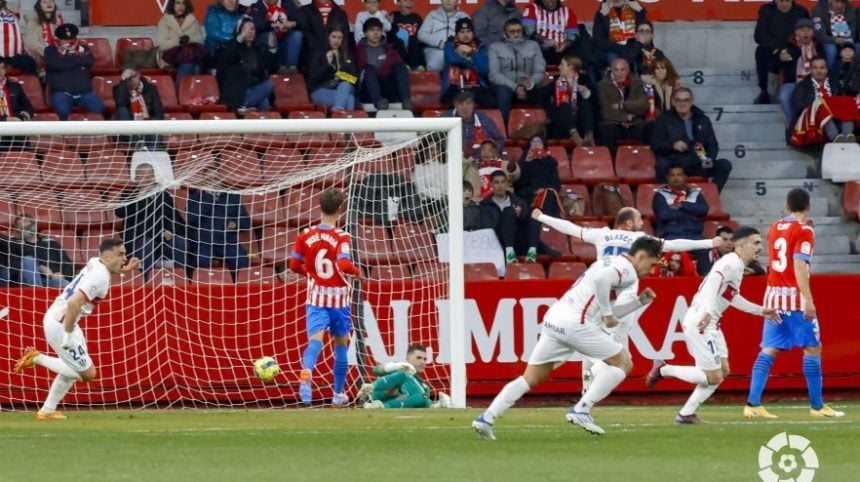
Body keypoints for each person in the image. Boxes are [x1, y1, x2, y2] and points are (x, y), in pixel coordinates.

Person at [472, 236, 662, 439]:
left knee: (531, 378)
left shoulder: (610, 261)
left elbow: (605, 305)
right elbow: (602, 283)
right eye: (651, 265)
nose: (650, 271)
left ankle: (486, 418)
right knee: (623, 362)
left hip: (555, 319)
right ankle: (582, 409)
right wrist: (607, 314)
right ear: (641, 256)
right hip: (575, 323)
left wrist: (638, 303)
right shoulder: (627, 269)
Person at [532, 206, 719, 392]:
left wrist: (542, 217)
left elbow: (570, 228)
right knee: (618, 355)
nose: (641, 223)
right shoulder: (640, 240)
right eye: (639, 220)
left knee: (594, 341)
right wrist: (710, 243)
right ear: (629, 223)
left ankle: (586, 384)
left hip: (600, 298)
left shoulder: (602, 235)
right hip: (625, 299)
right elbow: (674, 244)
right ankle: (593, 382)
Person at [646, 227, 780, 424]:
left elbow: (730, 296)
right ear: (741, 246)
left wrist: (761, 310)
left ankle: (686, 414)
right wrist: (708, 311)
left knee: (722, 371)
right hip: (701, 321)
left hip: (712, 323)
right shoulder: (731, 262)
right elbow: (714, 281)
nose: (759, 247)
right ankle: (664, 369)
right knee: (712, 375)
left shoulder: (737, 266)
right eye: (756, 243)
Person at [744, 188, 846, 419]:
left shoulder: (774, 228)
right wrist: (808, 299)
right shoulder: (805, 230)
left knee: (769, 348)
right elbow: (799, 265)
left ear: (787, 206)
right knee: (812, 347)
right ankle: (817, 407)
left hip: (773, 297)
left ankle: (752, 404)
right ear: (808, 206)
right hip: (794, 299)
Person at [13, 239, 140, 420]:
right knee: (87, 374)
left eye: (124, 254)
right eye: (120, 254)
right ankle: (36, 357)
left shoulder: (95, 262)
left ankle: (47, 411)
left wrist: (125, 270)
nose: (125, 258)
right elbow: (74, 303)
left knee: (73, 367)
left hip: (61, 319)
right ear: (107, 255)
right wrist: (68, 334)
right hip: (62, 325)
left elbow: (106, 270)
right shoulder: (100, 277)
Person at [289, 188, 360, 405]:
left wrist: (310, 273)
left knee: (314, 343)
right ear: (341, 209)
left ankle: (307, 371)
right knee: (341, 345)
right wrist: (358, 273)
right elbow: (344, 264)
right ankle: (338, 394)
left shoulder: (306, 233)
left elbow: (293, 265)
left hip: (316, 298)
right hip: (339, 299)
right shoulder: (342, 236)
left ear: (319, 206)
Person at [650, 87, 733, 192]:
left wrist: (709, 158)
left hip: (698, 160)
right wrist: (673, 145)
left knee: (724, 165)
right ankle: (665, 198)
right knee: (661, 164)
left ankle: (710, 196)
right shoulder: (664, 119)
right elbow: (656, 143)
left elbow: (712, 144)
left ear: (691, 102)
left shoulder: (702, 119)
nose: (682, 103)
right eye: (678, 100)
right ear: (673, 102)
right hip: (675, 162)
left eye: (686, 100)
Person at [115, 164, 189, 276]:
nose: (147, 178)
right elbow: (120, 212)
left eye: (149, 175)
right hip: (139, 239)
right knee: (147, 244)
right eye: (143, 175)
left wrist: (171, 231)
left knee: (180, 242)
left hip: (162, 240)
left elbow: (174, 217)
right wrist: (140, 195)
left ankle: (180, 278)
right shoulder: (129, 194)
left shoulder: (163, 194)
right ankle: (146, 280)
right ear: (137, 178)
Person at [186, 170, 252, 281]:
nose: (213, 183)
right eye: (209, 180)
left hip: (228, 242)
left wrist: (235, 224)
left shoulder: (232, 198)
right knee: (201, 262)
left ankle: (238, 291)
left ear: (220, 181)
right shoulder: (195, 198)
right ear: (204, 182)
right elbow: (189, 219)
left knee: (242, 261)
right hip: (203, 243)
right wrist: (209, 199)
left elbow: (246, 222)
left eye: (215, 179)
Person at [357, 344, 450, 409]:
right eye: (418, 358)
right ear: (407, 359)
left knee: (423, 397)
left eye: (425, 359)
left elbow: (425, 404)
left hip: (395, 404)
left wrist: (438, 405)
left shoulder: (424, 387)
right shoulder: (400, 368)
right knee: (403, 375)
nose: (423, 362)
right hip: (380, 394)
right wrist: (395, 366)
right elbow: (376, 369)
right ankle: (371, 387)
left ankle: (381, 406)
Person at [488, 18, 546, 121]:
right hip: (506, 85)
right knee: (503, 93)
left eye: (519, 31)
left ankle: (541, 128)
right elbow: (494, 74)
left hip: (528, 84)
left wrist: (530, 82)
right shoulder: (495, 47)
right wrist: (515, 87)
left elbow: (540, 70)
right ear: (505, 33)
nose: (516, 34)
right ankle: (504, 129)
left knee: (543, 92)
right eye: (512, 32)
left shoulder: (533, 45)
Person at [44, 23, 105, 120]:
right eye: (65, 39)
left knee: (98, 107)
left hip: (84, 93)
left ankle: (89, 133)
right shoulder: (50, 50)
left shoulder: (83, 48)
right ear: (58, 39)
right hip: (62, 92)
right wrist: (76, 60)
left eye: (72, 39)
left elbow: (89, 62)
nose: (69, 42)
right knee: (62, 110)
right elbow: (54, 64)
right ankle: (66, 134)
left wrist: (67, 59)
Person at [789, 56, 856, 145]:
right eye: (815, 68)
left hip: (836, 118)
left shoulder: (835, 83)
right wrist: (820, 103)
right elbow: (797, 107)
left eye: (822, 68)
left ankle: (847, 136)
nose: (819, 71)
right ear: (810, 70)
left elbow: (845, 100)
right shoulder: (802, 86)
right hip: (812, 121)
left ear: (827, 70)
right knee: (820, 103)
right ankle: (834, 137)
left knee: (847, 101)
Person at [753, 0, 810, 104]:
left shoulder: (801, 11)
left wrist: (789, 49)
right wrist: (779, 50)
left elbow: (807, 34)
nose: (784, 4)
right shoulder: (766, 10)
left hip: (794, 48)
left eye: (787, 1)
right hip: (774, 48)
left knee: (801, 53)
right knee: (761, 52)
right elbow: (759, 35)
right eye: (781, 1)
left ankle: (793, 90)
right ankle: (765, 91)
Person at [218, 18, 278, 115]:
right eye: (245, 29)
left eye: (252, 29)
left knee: (267, 93)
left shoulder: (259, 49)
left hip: (256, 88)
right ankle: (244, 105)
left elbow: (273, 67)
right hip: (239, 91)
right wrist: (241, 37)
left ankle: (245, 106)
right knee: (266, 95)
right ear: (239, 32)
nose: (249, 32)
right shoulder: (234, 46)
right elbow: (228, 56)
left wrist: (272, 48)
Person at [480, 170, 540, 264]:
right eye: (496, 182)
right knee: (509, 211)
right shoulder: (484, 205)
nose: (500, 185)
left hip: (518, 241)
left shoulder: (518, 201)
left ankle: (532, 252)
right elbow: (487, 226)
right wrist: (506, 216)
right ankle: (509, 253)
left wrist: (520, 214)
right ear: (491, 184)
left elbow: (526, 220)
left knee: (534, 213)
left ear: (507, 184)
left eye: (503, 182)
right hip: (498, 242)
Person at [597, 57, 651, 159]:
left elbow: (644, 105)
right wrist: (626, 117)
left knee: (651, 127)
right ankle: (613, 162)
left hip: (634, 123)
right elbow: (606, 110)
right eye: (616, 70)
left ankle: (646, 161)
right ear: (611, 71)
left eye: (623, 70)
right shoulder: (602, 85)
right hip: (614, 123)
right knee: (606, 129)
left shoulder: (637, 83)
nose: (619, 73)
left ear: (628, 70)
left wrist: (623, 105)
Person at [356, 17, 412, 111]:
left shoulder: (390, 50)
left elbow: (400, 71)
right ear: (365, 33)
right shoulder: (358, 51)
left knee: (400, 67)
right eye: (372, 30)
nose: (376, 33)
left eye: (378, 30)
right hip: (368, 90)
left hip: (388, 87)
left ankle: (406, 100)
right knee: (370, 69)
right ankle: (379, 102)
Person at [540, 53, 595, 146]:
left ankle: (589, 136)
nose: (559, 67)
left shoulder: (584, 80)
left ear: (571, 67)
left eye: (562, 64)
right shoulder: (556, 82)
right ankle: (576, 137)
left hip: (580, 121)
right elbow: (541, 96)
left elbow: (595, 102)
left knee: (585, 104)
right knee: (564, 105)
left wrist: (585, 92)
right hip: (561, 123)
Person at [778, 19, 824, 128]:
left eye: (809, 30)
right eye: (802, 30)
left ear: (813, 32)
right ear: (796, 32)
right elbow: (774, 67)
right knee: (783, 97)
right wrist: (780, 58)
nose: (806, 33)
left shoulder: (818, 46)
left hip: (815, 82)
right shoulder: (787, 46)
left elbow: (824, 66)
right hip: (793, 82)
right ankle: (795, 125)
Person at [441, 17, 493, 108]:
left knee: (491, 102)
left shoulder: (480, 46)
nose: (466, 35)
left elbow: (484, 69)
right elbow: (453, 60)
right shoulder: (449, 44)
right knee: (450, 103)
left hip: (475, 85)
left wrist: (472, 52)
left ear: (473, 32)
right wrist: (472, 63)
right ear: (457, 34)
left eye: (468, 31)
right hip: (454, 86)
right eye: (462, 32)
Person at [10, 214, 74, 288]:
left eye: (25, 221)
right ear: (17, 230)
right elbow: (14, 262)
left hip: (50, 280)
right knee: (28, 259)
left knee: (64, 283)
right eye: (19, 225)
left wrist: (62, 274)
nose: (23, 226)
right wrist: (40, 266)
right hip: (25, 281)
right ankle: (37, 294)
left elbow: (67, 264)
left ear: (33, 224)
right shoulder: (14, 242)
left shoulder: (50, 242)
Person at [307, 27, 357, 112]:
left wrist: (339, 74)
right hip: (322, 90)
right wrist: (327, 64)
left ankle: (337, 111)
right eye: (333, 37)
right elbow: (312, 79)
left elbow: (354, 79)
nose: (336, 40)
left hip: (343, 89)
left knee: (345, 85)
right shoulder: (319, 53)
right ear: (328, 38)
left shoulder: (347, 54)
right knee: (349, 98)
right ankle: (345, 121)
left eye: (339, 37)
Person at [156, 0, 206, 84]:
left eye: (183, 3)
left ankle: (182, 92)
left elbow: (200, 41)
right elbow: (161, 45)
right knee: (191, 63)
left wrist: (189, 39)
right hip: (170, 56)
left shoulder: (192, 20)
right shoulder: (165, 21)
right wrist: (179, 41)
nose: (181, 6)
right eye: (178, 3)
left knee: (191, 62)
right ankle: (186, 92)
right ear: (172, 5)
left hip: (189, 55)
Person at [445, 90, 505, 157]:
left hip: (481, 161)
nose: (465, 107)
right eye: (461, 104)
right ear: (455, 105)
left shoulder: (483, 118)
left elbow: (499, 139)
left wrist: (495, 152)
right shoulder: (446, 117)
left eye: (468, 103)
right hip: (455, 160)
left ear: (473, 105)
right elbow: (435, 139)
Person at [250, 0, 303, 73]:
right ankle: (276, 67)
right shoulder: (257, 6)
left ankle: (292, 68)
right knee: (269, 35)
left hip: (285, 41)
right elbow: (257, 23)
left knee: (297, 35)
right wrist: (273, 25)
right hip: (268, 44)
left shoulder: (287, 4)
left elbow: (302, 19)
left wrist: (292, 24)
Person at [592, 0, 648, 69]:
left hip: (633, 48)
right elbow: (599, 40)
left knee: (637, 54)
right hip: (612, 50)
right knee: (614, 59)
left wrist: (640, 11)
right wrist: (602, 15)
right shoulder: (603, 12)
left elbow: (643, 34)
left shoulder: (635, 8)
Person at [522, 0, 579, 66]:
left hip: (562, 51)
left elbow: (573, 34)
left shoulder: (568, 12)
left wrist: (566, 44)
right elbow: (529, 31)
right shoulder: (532, 9)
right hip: (539, 49)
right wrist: (545, 40)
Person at [417, 0, 469, 72]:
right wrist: (438, 42)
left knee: (460, 65)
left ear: (457, 1)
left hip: (456, 50)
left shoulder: (464, 16)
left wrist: (456, 45)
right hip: (435, 49)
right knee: (435, 65)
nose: (448, 1)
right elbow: (421, 34)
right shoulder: (433, 15)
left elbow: (469, 36)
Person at [697, 225, 766, 276]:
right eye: (725, 239)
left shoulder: (741, 254)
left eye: (731, 240)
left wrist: (752, 271)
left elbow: (761, 271)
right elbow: (704, 272)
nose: (729, 243)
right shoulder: (705, 256)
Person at [811, 0, 856, 70]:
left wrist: (847, 45)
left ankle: (854, 74)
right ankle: (832, 75)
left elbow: (853, 31)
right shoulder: (819, 10)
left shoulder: (850, 9)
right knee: (831, 50)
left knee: (858, 47)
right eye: (837, 2)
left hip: (846, 39)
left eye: (842, 2)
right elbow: (820, 36)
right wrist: (835, 40)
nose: (840, 5)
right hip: (828, 40)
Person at [0, 1, 38, 75]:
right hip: (1, 56)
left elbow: (16, 4)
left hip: (15, 55)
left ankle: (32, 85)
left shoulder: (12, 14)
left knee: (29, 62)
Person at [24, 0, 65, 68]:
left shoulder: (59, 19)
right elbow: (31, 43)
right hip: (43, 55)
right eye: (45, 2)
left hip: (60, 54)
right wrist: (50, 53)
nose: (49, 3)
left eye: (51, 1)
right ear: (39, 6)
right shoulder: (33, 21)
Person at [390, 0, 424, 71]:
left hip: (414, 47)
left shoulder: (417, 18)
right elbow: (391, 34)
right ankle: (403, 65)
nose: (409, 2)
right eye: (405, 0)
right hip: (399, 46)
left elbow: (422, 34)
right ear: (398, 3)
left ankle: (416, 65)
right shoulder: (394, 16)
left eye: (411, 0)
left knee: (414, 39)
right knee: (400, 38)